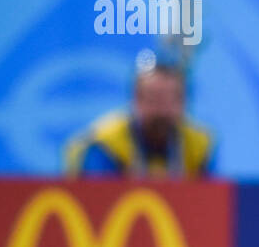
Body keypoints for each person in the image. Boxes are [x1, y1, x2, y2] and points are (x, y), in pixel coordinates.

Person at [65, 59, 215, 178]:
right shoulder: (104, 143)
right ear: (136, 100)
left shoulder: (199, 145)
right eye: (153, 99)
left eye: (170, 99)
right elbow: (98, 201)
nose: (161, 109)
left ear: (183, 103)